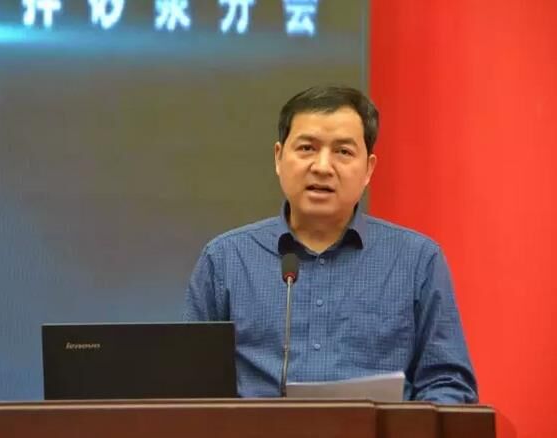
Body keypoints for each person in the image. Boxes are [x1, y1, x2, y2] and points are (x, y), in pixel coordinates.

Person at [184, 85, 478, 403]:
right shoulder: (225, 259)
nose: (322, 167)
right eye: (307, 148)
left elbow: (449, 385)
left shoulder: (417, 260)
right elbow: (192, 388)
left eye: (343, 152)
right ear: (279, 158)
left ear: (368, 169)